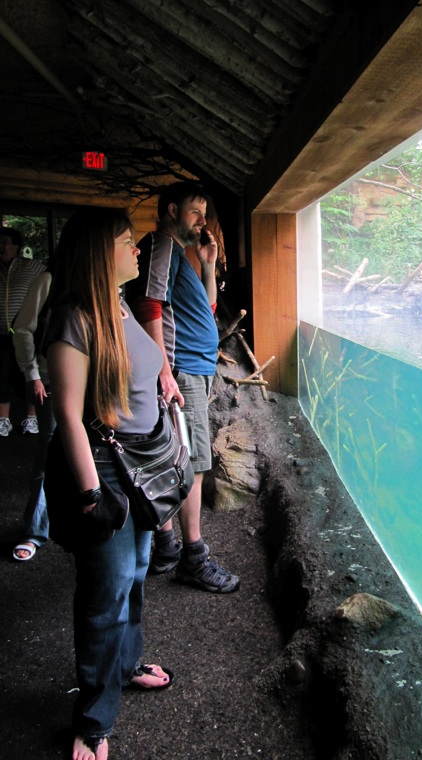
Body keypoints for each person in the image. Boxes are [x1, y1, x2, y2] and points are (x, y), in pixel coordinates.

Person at [44, 207, 173, 760]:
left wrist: (164, 378)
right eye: (127, 241)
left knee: (137, 575)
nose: (137, 249)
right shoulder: (72, 318)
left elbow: (140, 366)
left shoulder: (117, 303)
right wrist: (93, 495)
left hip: (142, 465)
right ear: (102, 253)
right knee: (105, 596)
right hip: (107, 472)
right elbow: (69, 417)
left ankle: (127, 663)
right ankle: (93, 722)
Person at [127, 181, 239, 593]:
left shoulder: (181, 256)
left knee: (180, 455)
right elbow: (149, 305)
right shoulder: (159, 245)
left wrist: (208, 264)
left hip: (194, 368)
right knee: (192, 462)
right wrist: (162, 368)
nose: (203, 221)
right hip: (181, 370)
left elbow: (206, 310)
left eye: (206, 214)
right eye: (196, 212)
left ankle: (169, 544)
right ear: (172, 210)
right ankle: (192, 555)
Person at [11, 265, 54, 560]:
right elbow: (24, 327)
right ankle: (36, 530)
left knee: (100, 452)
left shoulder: (108, 280)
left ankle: (95, 523)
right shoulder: (49, 280)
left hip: (96, 384)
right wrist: (32, 373)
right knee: (50, 454)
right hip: (53, 379)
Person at [0, 227, 45, 437]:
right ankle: (3, 421)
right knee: (2, 377)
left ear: (16, 247)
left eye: (5, 243)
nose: (1, 247)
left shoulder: (32, 267)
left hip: (27, 332)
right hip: (2, 334)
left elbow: (49, 282)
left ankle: (32, 419)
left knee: (30, 376)